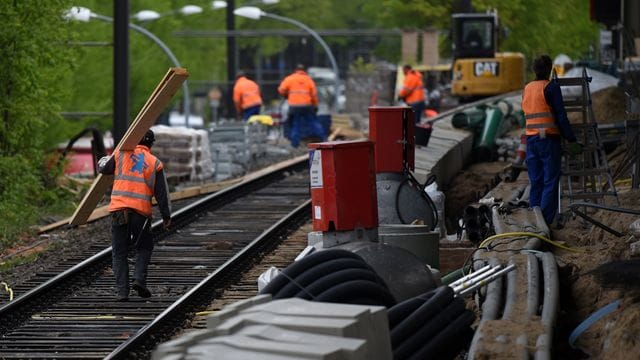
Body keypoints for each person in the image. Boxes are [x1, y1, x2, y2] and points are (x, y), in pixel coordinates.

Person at [99, 129, 172, 301]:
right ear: (151, 144)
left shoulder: (120, 154)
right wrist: (166, 216)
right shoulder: (155, 163)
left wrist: (104, 158)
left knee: (119, 252)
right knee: (144, 247)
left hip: (119, 211)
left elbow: (103, 168)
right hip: (140, 212)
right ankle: (139, 280)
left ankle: (122, 292)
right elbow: (162, 194)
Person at [522, 55, 581, 225]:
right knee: (550, 180)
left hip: (531, 139)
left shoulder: (527, 88)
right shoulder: (551, 87)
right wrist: (571, 139)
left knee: (536, 181)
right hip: (548, 140)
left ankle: (534, 221)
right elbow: (561, 117)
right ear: (549, 69)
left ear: (534, 69)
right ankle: (546, 223)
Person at [278, 64, 326, 147]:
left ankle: (295, 144)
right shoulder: (308, 80)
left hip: (294, 106)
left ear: (295, 70)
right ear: (304, 71)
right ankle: (323, 139)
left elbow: (281, 90)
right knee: (313, 122)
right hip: (307, 106)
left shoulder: (290, 79)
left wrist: (286, 95)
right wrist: (315, 105)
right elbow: (314, 95)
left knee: (295, 124)